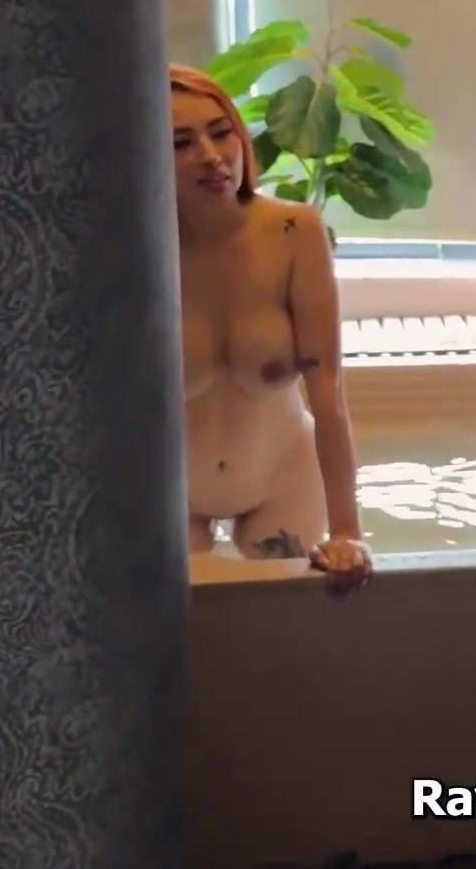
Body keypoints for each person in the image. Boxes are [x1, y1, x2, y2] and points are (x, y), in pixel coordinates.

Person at [169, 64, 371, 594]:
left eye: (221, 132)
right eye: (181, 143)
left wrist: (347, 532)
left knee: (287, 615)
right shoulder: (132, 254)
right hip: (168, 491)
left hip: (281, 476)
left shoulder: (292, 232)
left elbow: (328, 394)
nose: (212, 156)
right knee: (182, 628)